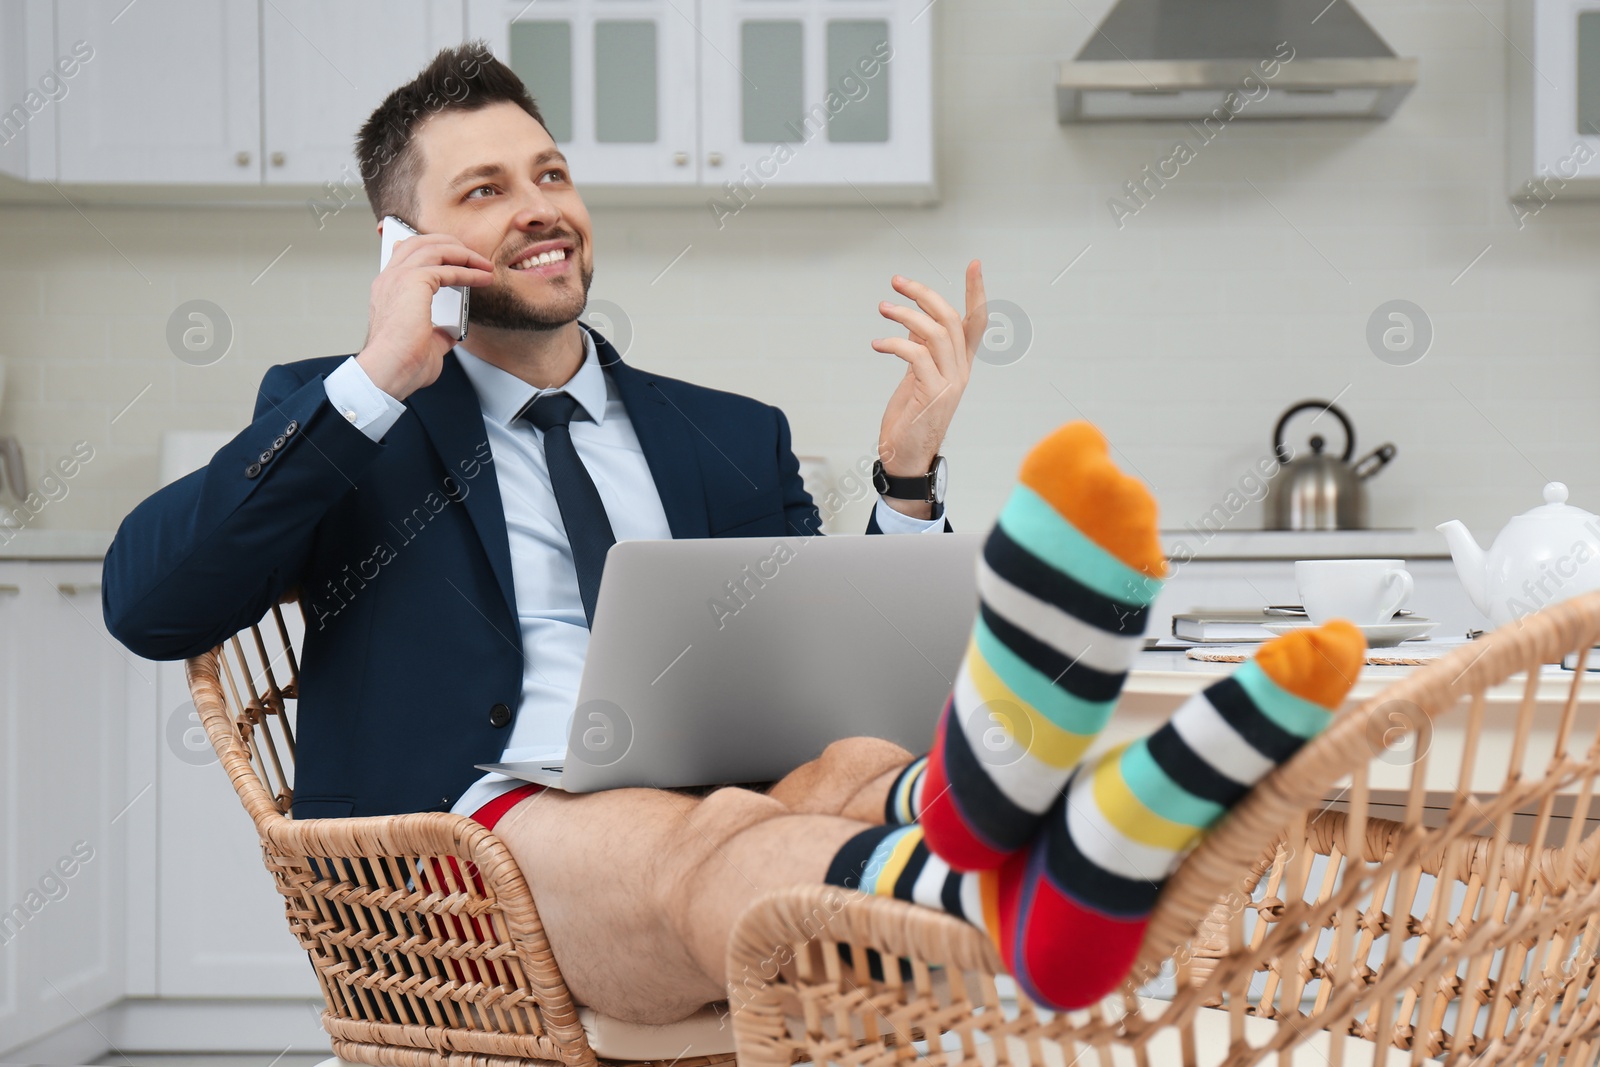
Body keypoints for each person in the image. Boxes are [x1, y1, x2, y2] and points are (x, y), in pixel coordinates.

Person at [101, 43, 1367, 1021]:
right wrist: (380, 375)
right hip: (472, 858)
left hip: (737, 795)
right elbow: (150, 601)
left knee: (851, 758)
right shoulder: (350, 415)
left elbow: (840, 668)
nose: (541, 206)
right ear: (407, 243)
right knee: (713, 838)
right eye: (485, 191)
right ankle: (1017, 877)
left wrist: (909, 470)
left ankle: (983, 809)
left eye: (551, 173)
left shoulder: (724, 435)